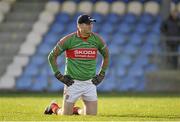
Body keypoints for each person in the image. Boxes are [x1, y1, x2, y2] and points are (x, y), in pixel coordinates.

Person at [44, 14, 109, 115]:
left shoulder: (97, 40)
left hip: (90, 83)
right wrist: (58, 75)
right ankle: (53, 107)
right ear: (80, 25)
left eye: (91, 23)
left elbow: (107, 56)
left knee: (91, 116)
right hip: (72, 83)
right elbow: (51, 57)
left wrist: (102, 74)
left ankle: (76, 110)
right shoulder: (68, 40)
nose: (91, 26)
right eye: (88, 24)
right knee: (65, 115)